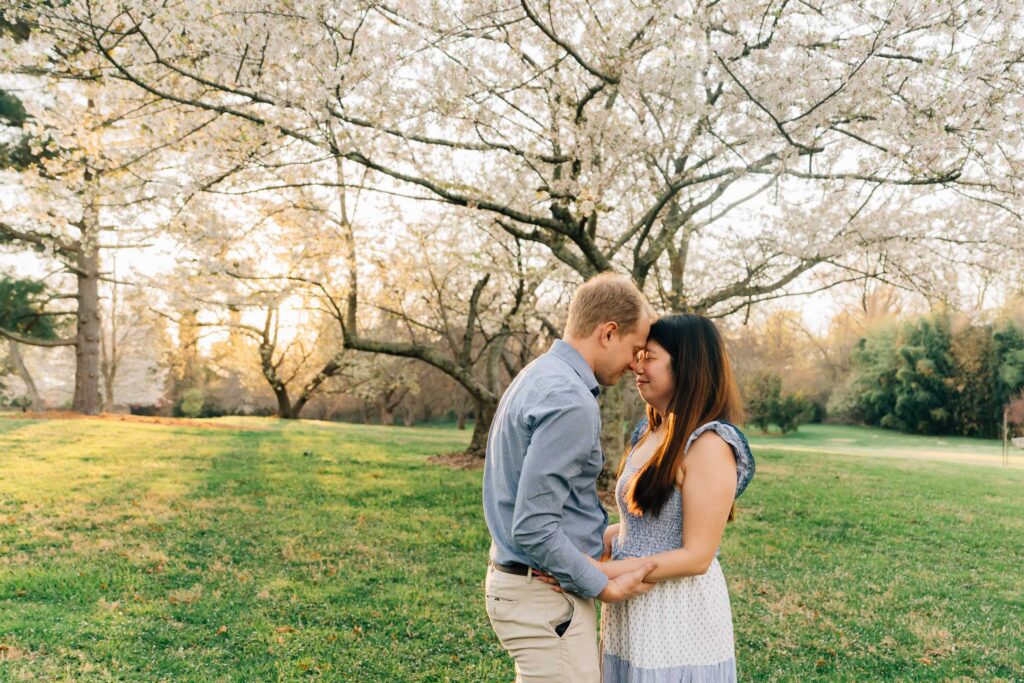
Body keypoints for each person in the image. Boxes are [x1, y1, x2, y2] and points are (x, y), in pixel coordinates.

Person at [482, 273, 658, 682]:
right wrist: (604, 586)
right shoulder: (571, 401)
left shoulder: (539, 375)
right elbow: (533, 527)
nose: (636, 363)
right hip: (543, 598)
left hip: (532, 590)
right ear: (608, 332)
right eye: (635, 349)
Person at [598, 313, 756, 682]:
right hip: (631, 604)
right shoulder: (650, 430)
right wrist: (600, 540)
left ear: (687, 366)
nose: (637, 366)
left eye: (649, 358)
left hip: (675, 612)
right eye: (639, 355)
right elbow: (648, 522)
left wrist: (596, 573)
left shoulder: (710, 444)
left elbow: (696, 556)